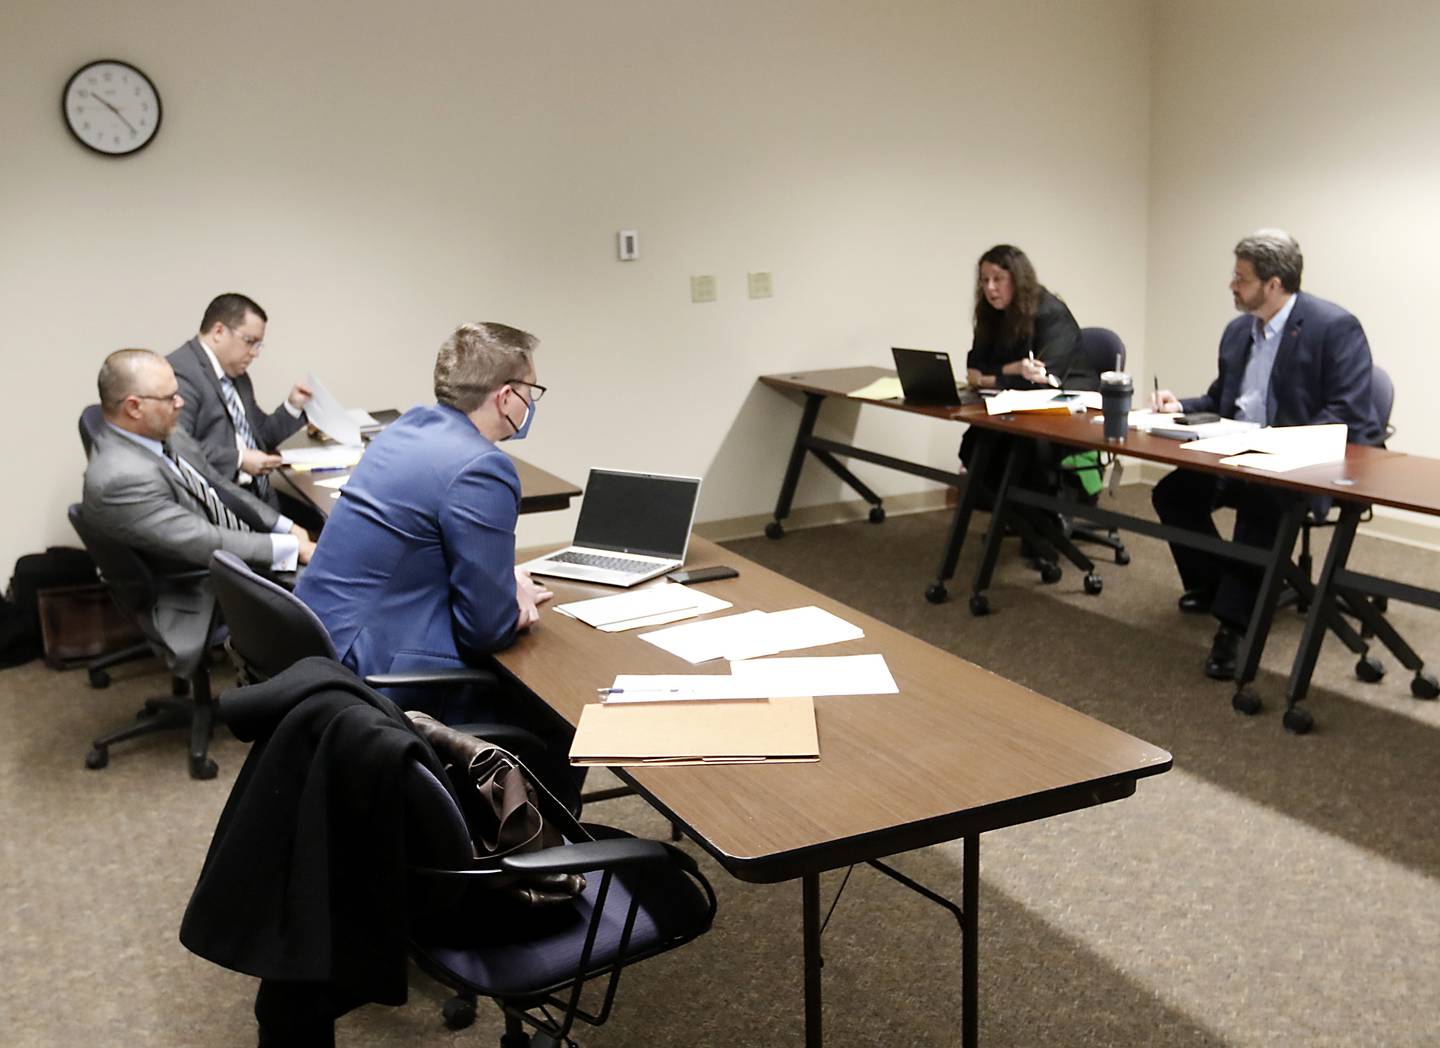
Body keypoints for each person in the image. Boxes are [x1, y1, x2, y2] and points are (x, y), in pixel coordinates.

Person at [295, 322, 554, 723]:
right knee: (552, 704)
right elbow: (486, 630)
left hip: (322, 642)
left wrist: (499, 582)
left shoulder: (407, 427)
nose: (532, 403)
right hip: (375, 674)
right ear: (506, 397)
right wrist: (511, 597)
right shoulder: (484, 467)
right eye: (531, 391)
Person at [1151, 229, 1381, 680]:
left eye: (1241, 278)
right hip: (1237, 453)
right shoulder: (1239, 331)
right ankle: (1216, 585)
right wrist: (1181, 407)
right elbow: (1224, 399)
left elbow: (1347, 414)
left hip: (1299, 465)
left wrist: (1273, 446)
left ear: (1274, 284)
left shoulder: (1334, 327)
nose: (1231, 286)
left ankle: (1234, 630)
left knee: (1260, 506)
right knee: (1173, 494)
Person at [82, 349, 316, 675]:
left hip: (220, 551)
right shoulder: (120, 478)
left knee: (323, 569)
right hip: (197, 586)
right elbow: (204, 542)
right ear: (134, 407)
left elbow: (220, 485)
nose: (180, 404)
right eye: (169, 398)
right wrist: (292, 549)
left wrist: (284, 526)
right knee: (325, 590)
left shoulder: (164, 434)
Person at [960, 245, 1097, 555]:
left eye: (998, 278)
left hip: (1067, 406)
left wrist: (995, 376)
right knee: (973, 447)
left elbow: (1042, 376)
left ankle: (1044, 530)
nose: (990, 288)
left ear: (1017, 279)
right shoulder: (990, 315)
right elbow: (974, 370)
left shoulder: (1050, 312)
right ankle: (1025, 519)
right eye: (984, 280)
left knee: (1025, 449)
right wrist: (1007, 371)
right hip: (1016, 405)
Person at [167, 293, 312, 507]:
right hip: (219, 505)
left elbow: (261, 435)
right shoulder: (180, 374)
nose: (255, 353)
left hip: (259, 497)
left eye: (259, 345)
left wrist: (293, 406)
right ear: (218, 331)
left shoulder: (236, 375)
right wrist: (239, 460)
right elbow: (177, 447)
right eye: (250, 342)